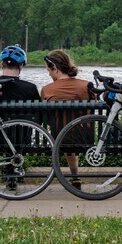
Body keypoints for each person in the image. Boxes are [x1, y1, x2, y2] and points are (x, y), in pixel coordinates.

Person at [0, 44, 40, 191]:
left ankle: (10, 174)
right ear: (22, 66)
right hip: (23, 140)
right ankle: (14, 174)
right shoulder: (30, 88)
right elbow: (38, 117)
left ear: (1, 64)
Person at [41, 49, 95, 190]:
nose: (48, 73)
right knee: (73, 130)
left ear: (55, 68)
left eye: (48, 70)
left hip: (58, 139)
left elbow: (45, 119)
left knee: (64, 130)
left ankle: (75, 177)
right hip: (85, 138)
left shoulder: (47, 90)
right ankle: (75, 177)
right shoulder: (86, 86)